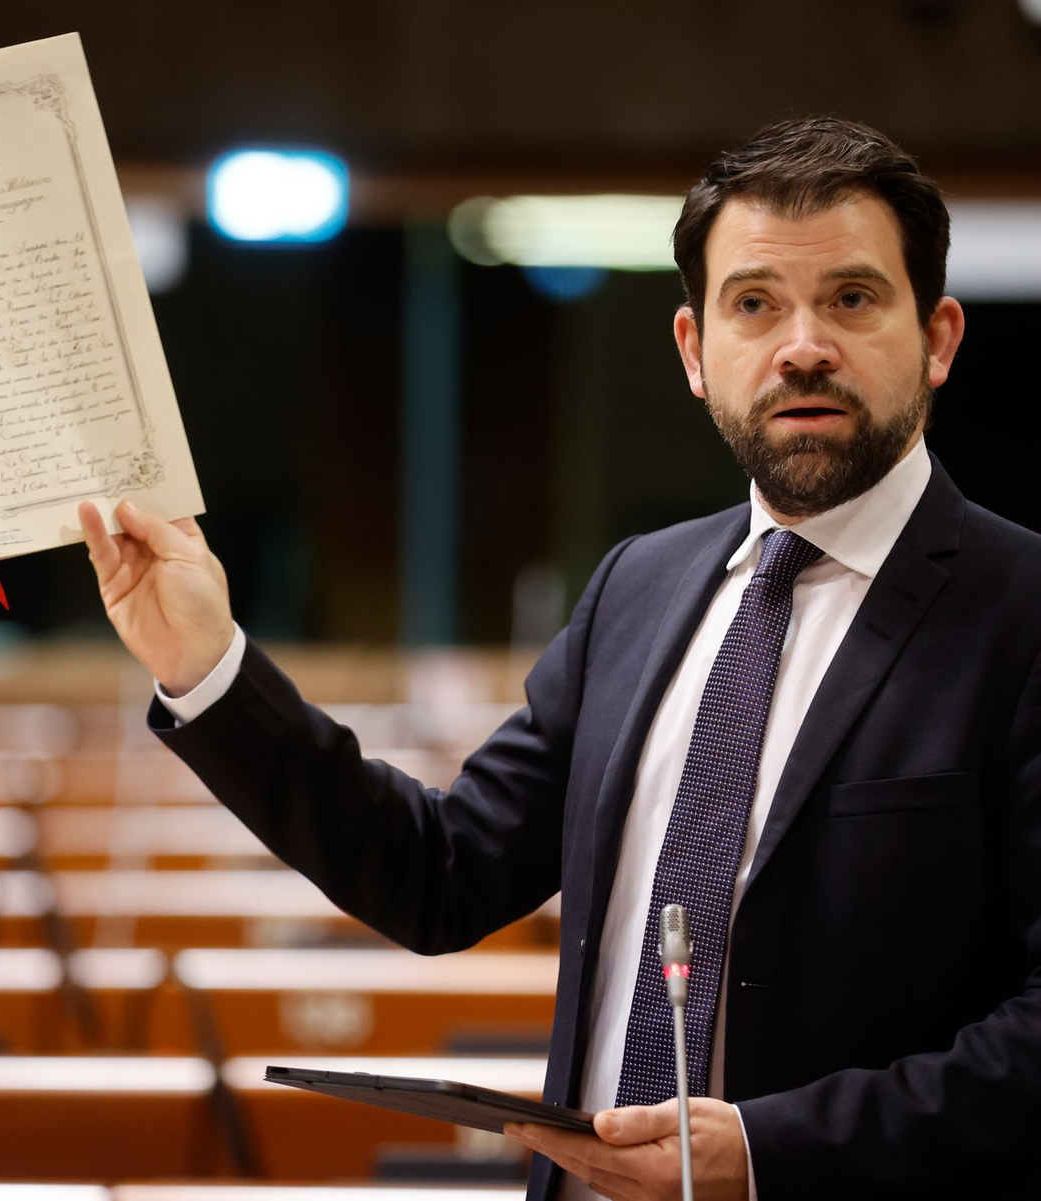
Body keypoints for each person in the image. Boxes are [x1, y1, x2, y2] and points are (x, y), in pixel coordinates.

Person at [79, 116, 1041, 1201]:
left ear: (941, 337)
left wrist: (773, 1153)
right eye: (755, 303)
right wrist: (209, 666)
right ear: (694, 350)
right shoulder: (641, 587)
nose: (802, 344)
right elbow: (437, 875)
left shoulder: (1022, 612)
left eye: (853, 300)